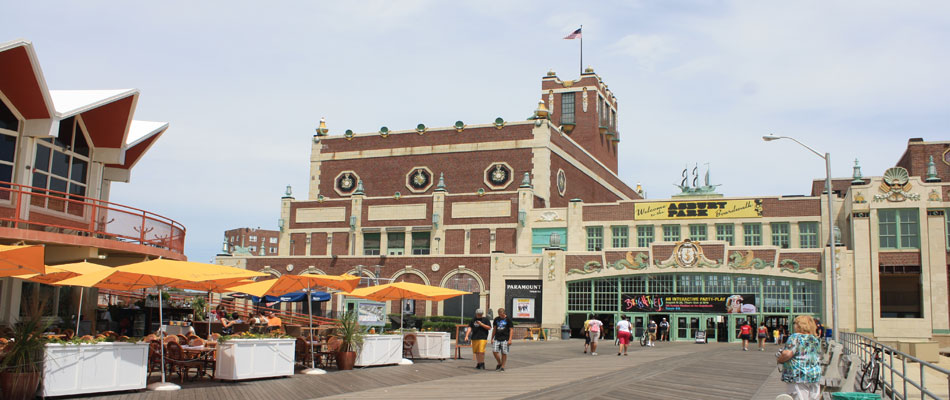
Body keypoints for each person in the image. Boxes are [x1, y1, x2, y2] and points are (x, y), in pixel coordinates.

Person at [776, 315, 822, 400]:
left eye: (795, 323)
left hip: (798, 375)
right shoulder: (815, 339)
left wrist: (779, 360)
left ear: (800, 325)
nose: (794, 325)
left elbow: (787, 354)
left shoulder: (795, 337)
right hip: (814, 375)